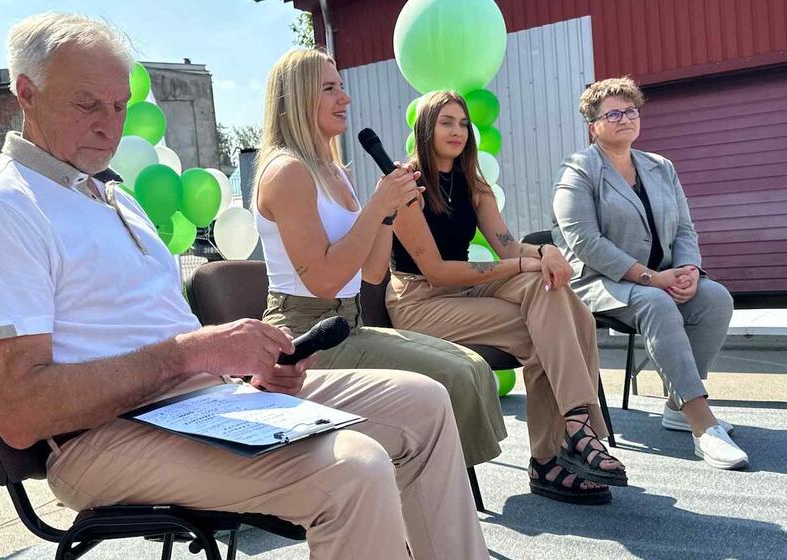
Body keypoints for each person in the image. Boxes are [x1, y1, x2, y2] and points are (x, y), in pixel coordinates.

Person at [0, 14, 489, 559]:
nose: (109, 125)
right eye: (87, 104)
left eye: (119, 106)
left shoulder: (112, 197)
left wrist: (244, 367)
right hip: (100, 438)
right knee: (354, 469)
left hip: (203, 403)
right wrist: (193, 353)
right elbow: (20, 411)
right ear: (27, 93)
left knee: (425, 402)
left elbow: (161, 336)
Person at [254, 48, 506, 471]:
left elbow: (371, 272)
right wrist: (377, 205)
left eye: (341, 86)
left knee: (473, 365)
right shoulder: (287, 172)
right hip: (304, 335)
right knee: (454, 378)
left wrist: (389, 210)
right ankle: (437, 486)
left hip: (348, 324)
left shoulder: (337, 172)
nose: (345, 98)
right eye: (329, 89)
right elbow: (323, 281)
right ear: (298, 98)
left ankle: (437, 484)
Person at [388, 91, 627, 505]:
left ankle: (570, 431)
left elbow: (507, 246)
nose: (458, 131)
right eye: (447, 122)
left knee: (550, 293)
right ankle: (557, 450)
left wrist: (546, 252)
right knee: (547, 327)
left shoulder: (472, 184)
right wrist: (521, 264)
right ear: (425, 128)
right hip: (420, 300)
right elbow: (437, 271)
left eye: (464, 124)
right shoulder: (407, 186)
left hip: (463, 290)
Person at [551, 77, 748, 470]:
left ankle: (676, 405)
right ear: (593, 127)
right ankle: (702, 425)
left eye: (631, 110)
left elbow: (685, 229)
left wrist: (689, 269)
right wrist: (649, 277)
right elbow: (585, 241)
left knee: (715, 298)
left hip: (660, 277)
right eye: (613, 114)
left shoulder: (661, 167)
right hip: (598, 281)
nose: (625, 118)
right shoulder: (578, 170)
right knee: (656, 301)